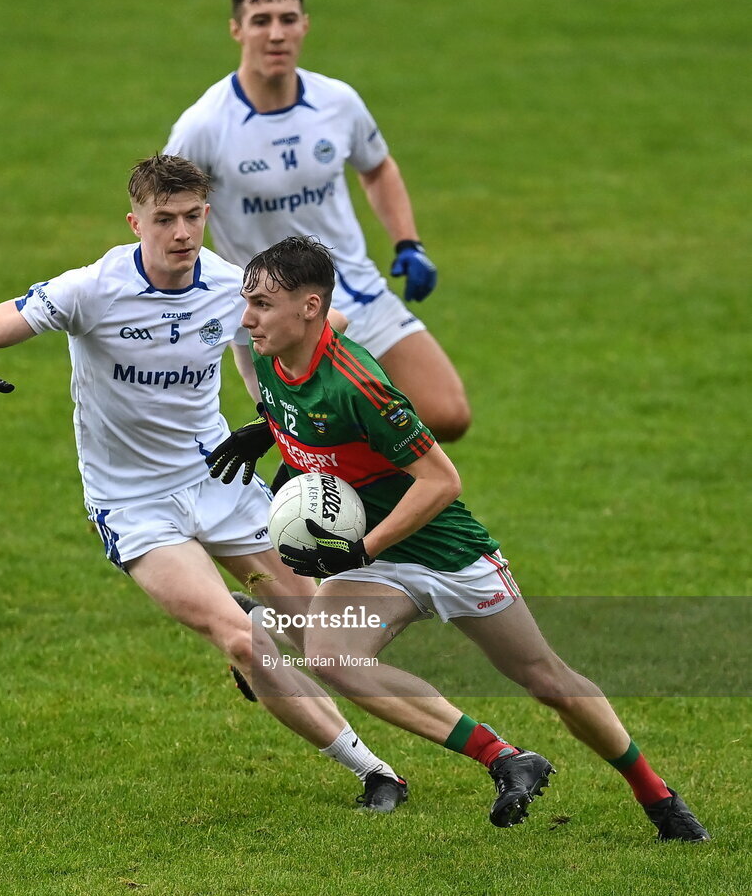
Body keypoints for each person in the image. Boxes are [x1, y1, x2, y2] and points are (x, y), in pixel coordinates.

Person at [0, 154, 409, 813]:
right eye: (164, 219)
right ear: (136, 223)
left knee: (328, 636)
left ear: (205, 216)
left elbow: (322, 326)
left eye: (192, 217)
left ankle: (487, 750)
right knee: (244, 642)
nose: (181, 233)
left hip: (219, 479)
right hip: (134, 506)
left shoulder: (229, 287)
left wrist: (275, 422)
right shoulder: (90, 289)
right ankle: (375, 772)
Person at [208, 234, 711, 841]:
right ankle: (506, 758)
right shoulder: (273, 354)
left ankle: (657, 798)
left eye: (262, 303)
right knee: (334, 657)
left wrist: (361, 548)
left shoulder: (362, 389)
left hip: (444, 550)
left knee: (546, 679)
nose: (248, 317)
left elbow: (442, 480)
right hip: (376, 558)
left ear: (306, 307)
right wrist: (266, 427)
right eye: (248, 301)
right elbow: (326, 337)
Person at [163, 0, 470, 446]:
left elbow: (377, 166)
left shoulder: (337, 102)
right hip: (284, 312)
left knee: (448, 414)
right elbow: (170, 210)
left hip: (358, 290)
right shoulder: (204, 126)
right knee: (348, 438)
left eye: (288, 18)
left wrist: (408, 242)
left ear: (305, 24)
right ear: (237, 30)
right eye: (261, 20)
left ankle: (344, 491)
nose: (277, 33)